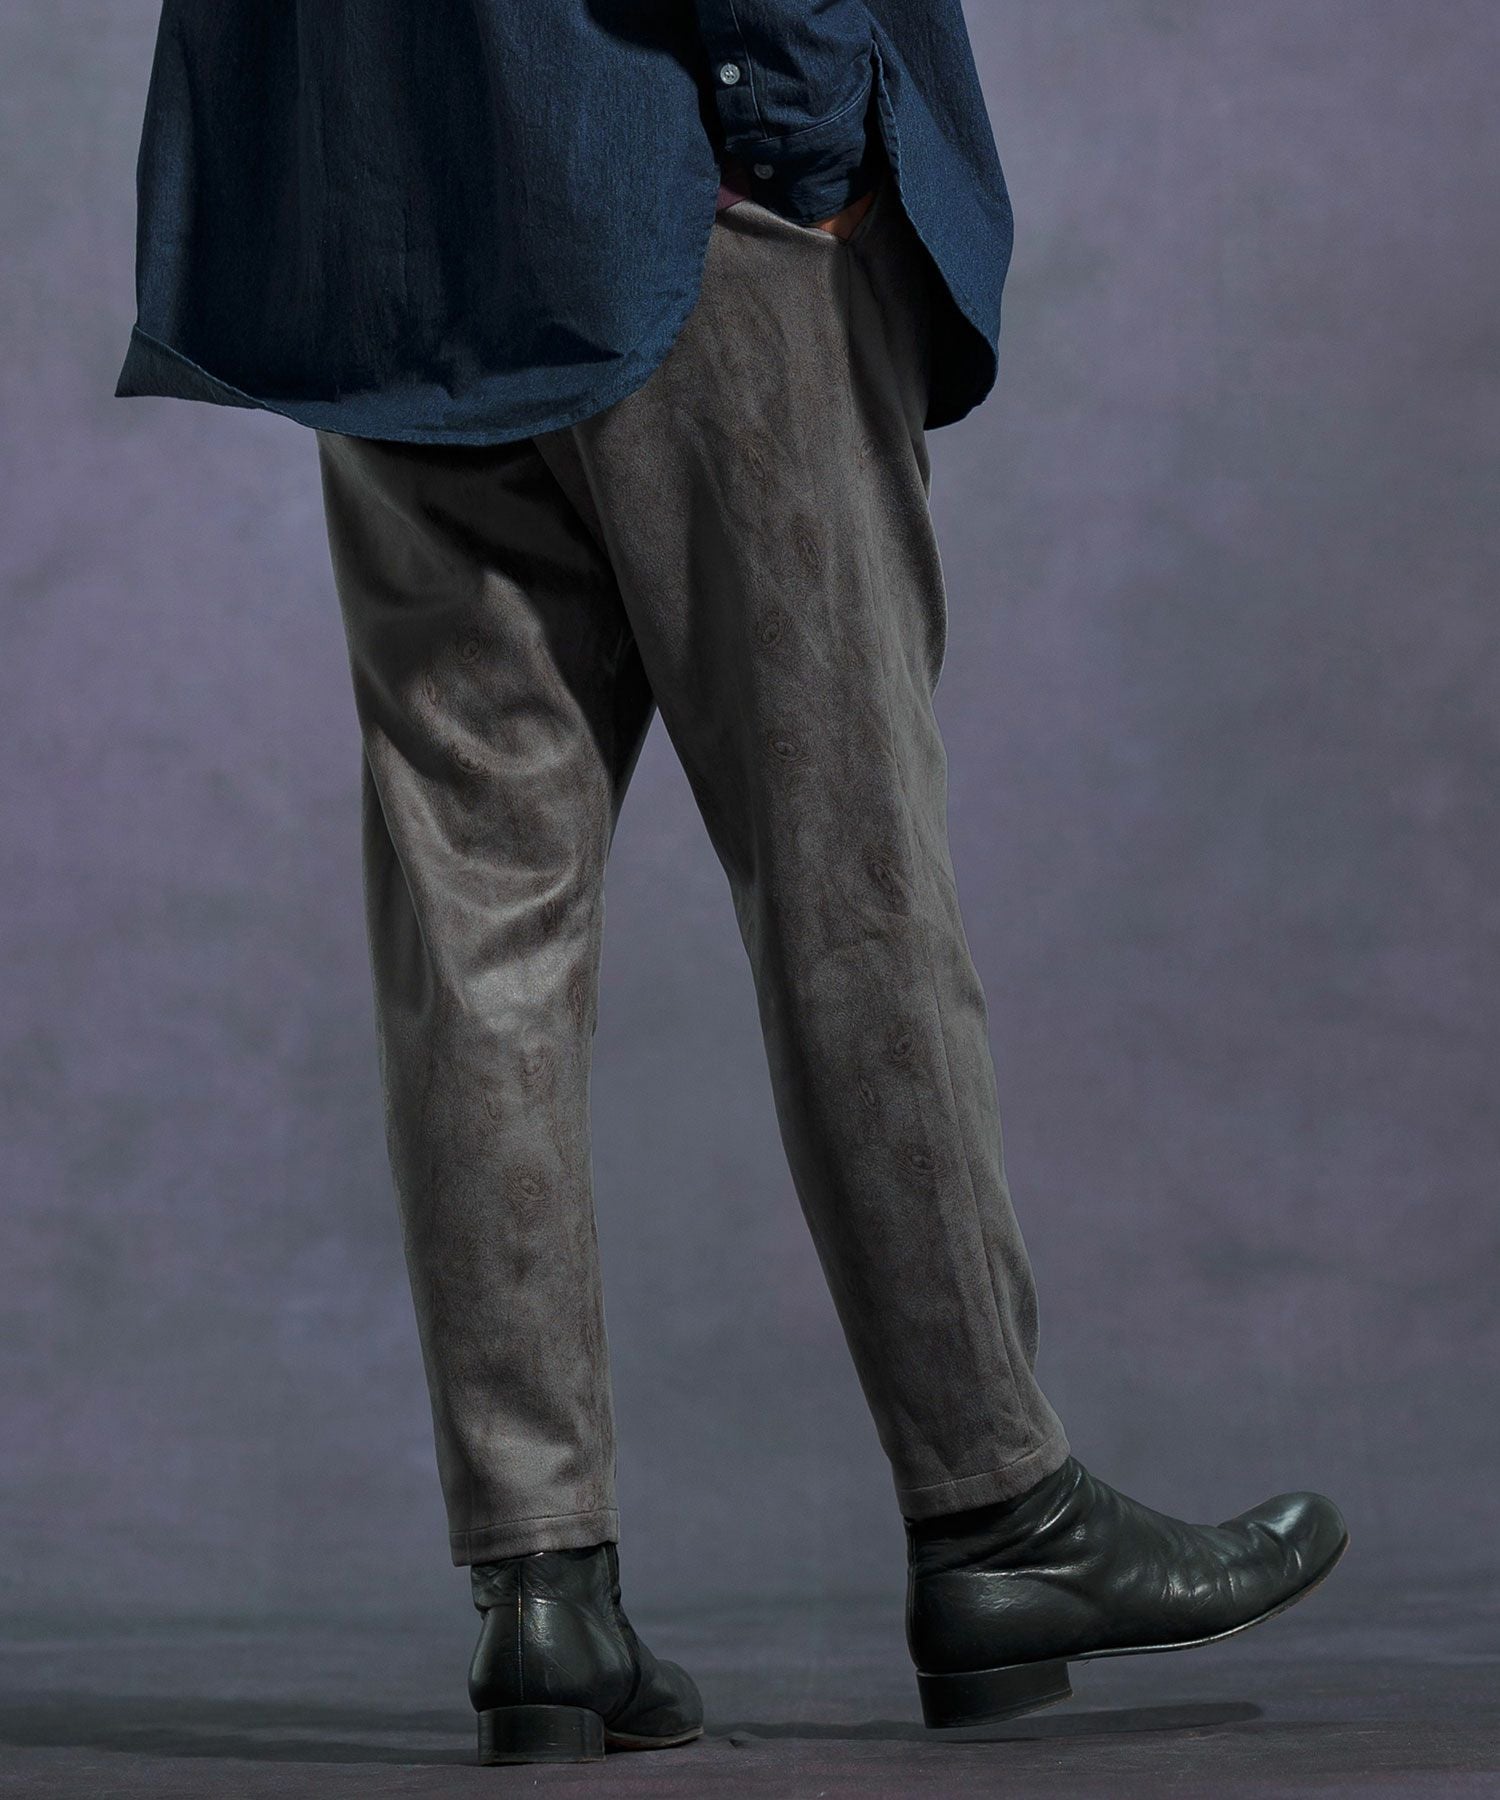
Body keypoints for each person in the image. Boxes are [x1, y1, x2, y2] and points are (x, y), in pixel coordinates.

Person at [115, 0, 1348, 1769]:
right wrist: (793, 117)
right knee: (851, 881)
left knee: (479, 939)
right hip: (682, 196)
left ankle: (544, 1589)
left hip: (396, 249)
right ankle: (997, 1516)